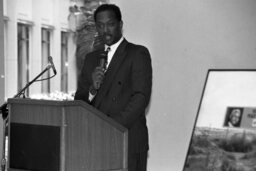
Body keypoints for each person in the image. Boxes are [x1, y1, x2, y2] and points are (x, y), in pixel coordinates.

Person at [74, 4, 152, 171]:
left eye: (110, 24)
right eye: (100, 26)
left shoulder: (137, 53)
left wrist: (112, 128)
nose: (105, 30)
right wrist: (92, 90)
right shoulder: (91, 58)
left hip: (127, 140)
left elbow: (141, 97)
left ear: (120, 25)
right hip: (97, 144)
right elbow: (79, 100)